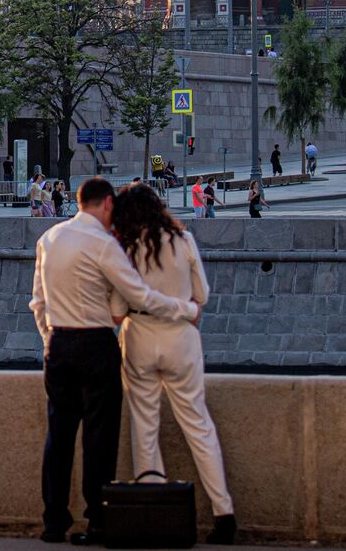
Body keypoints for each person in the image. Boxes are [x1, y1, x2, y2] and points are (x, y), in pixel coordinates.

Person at [29, 177, 201, 546]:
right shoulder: (103, 245)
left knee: (58, 438)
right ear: (107, 203)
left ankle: (53, 523)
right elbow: (138, 294)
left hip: (58, 343)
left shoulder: (49, 239)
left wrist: (50, 339)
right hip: (94, 343)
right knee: (99, 437)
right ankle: (97, 521)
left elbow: (38, 303)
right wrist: (184, 309)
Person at [109, 183, 235, 545]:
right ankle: (223, 513)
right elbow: (204, 296)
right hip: (182, 338)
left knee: (145, 426)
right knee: (198, 424)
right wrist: (184, 306)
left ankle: (154, 513)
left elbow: (117, 310)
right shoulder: (184, 240)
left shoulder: (126, 248)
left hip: (139, 337)